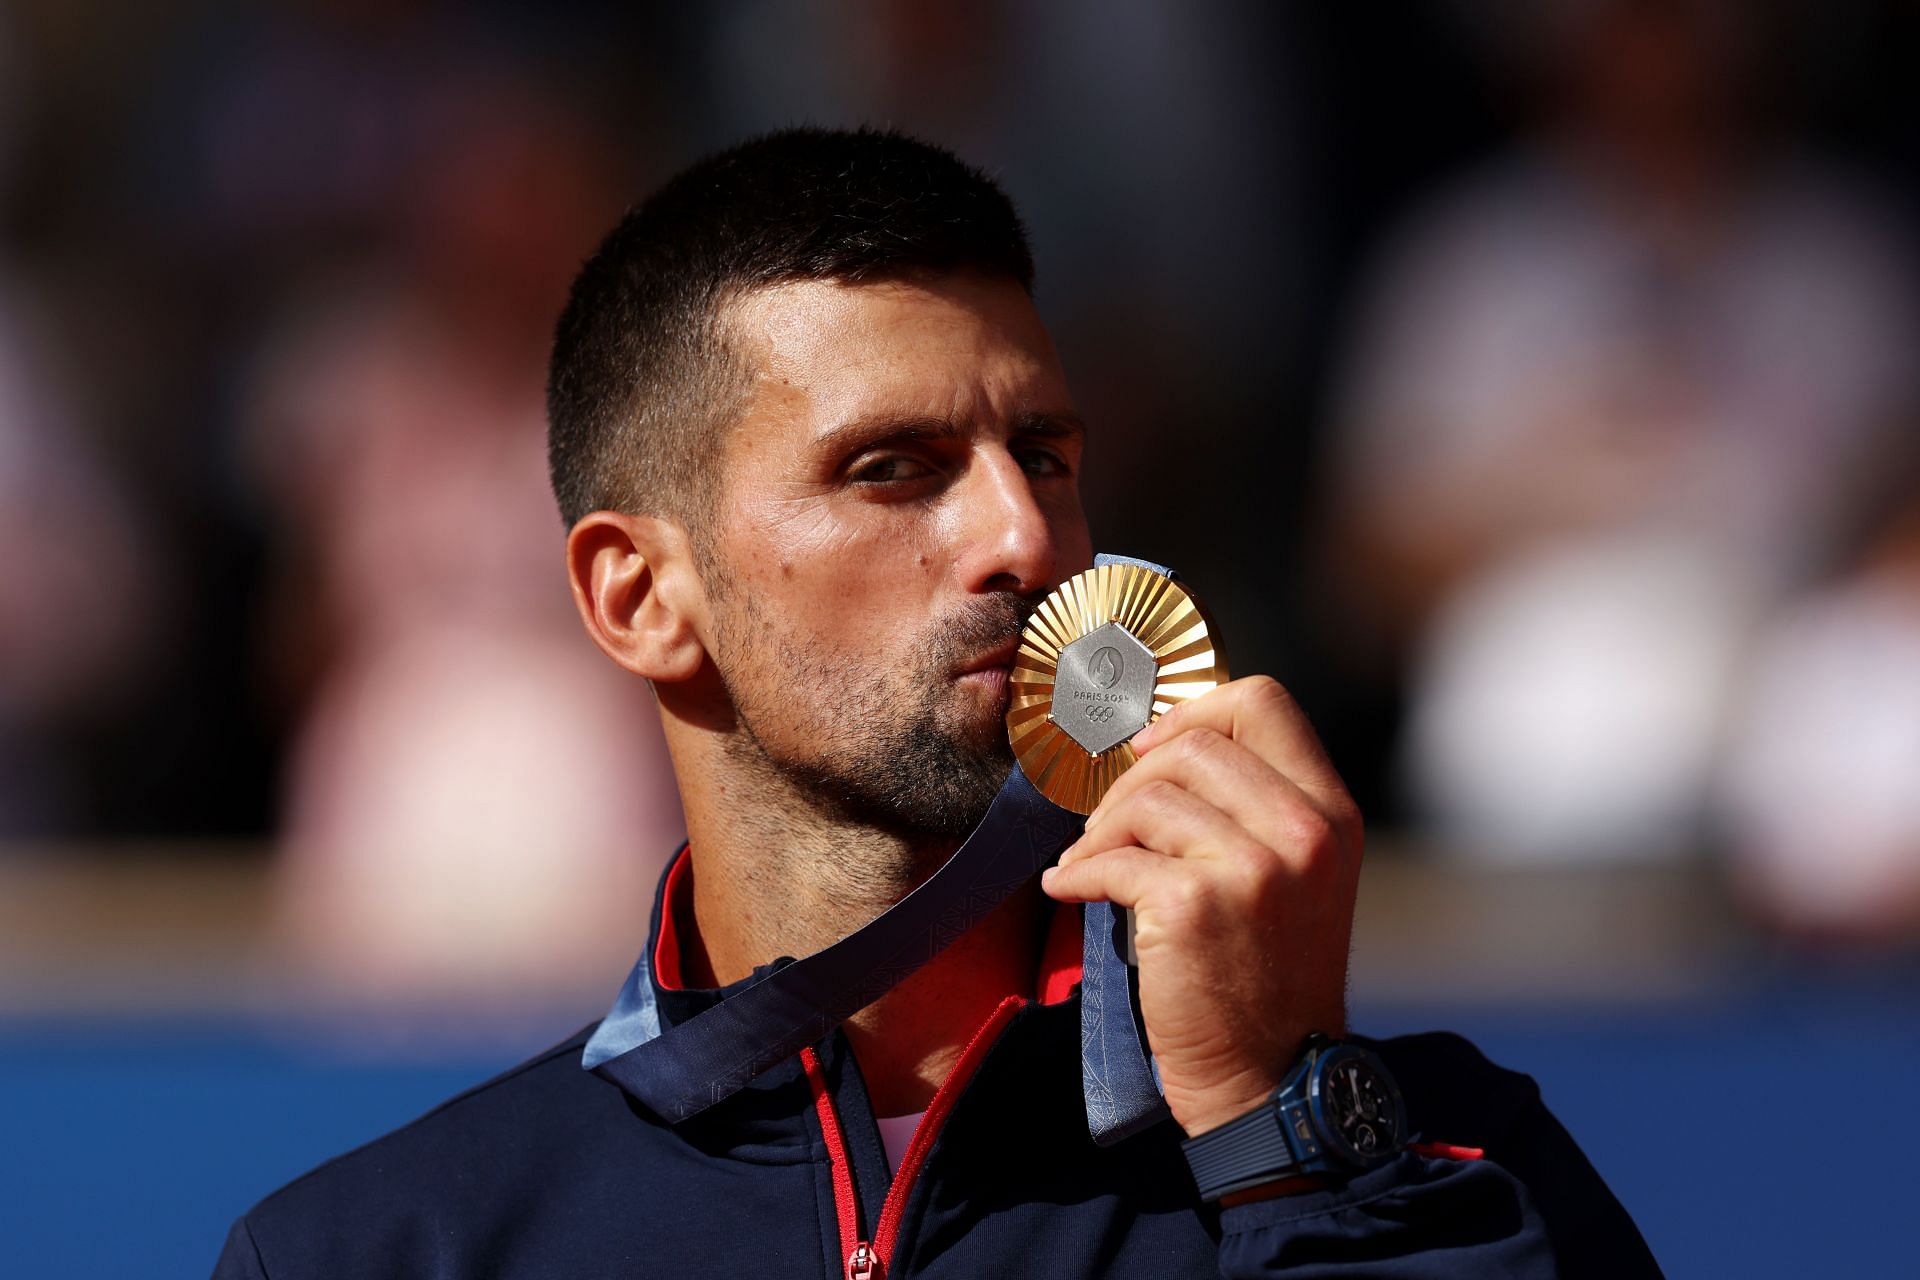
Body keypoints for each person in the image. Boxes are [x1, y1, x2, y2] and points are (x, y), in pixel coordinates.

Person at [214, 127, 1659, 1278]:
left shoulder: (1448, 1162)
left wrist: (1285, 1140)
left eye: (1043, 454)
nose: (1022, 538)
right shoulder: (386, 1252)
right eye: (893, 467)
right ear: (641, 599)